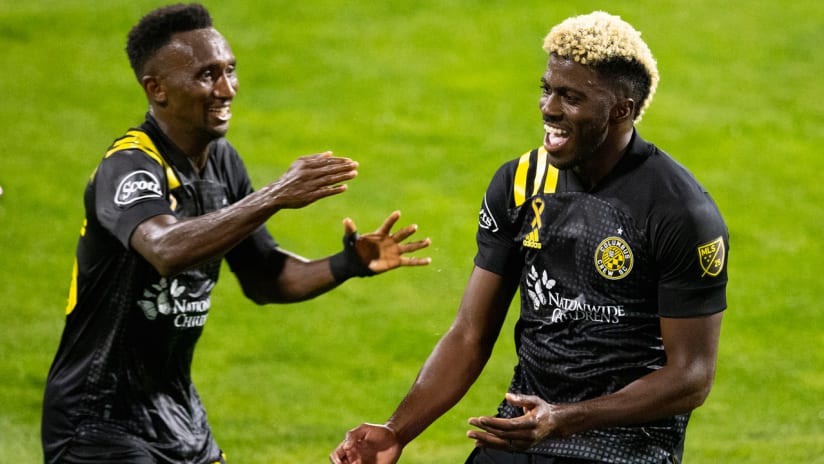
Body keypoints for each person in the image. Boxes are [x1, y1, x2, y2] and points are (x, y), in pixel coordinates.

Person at [331, 10, 728, 464]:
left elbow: (691, 376)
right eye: (548, 89)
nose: (549, 108)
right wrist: (396, 430)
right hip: (519, 433)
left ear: (621, 110)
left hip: (622, 450)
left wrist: (562, 418)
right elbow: (469, 334)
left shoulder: (679, 211)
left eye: (571, 97)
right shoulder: (521, 181)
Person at [41, 3, 431, 463]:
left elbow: (267, 279)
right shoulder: (129, 165)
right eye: (207, 75)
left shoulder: (221, 161)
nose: (227, 89)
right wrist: (274, 194)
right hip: (98, 421)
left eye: (230, 70)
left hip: (178, 417)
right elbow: (165, 249)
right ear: (157, 89)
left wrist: (348, 264)